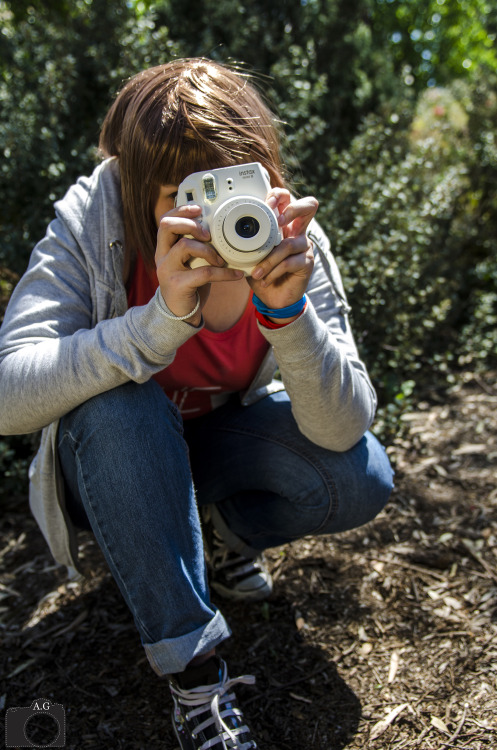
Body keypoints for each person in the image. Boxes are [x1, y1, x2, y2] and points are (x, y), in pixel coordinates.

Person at [0, 58, 393, 749]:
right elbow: (7, 397)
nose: (215, 219)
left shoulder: (284, 236)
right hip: (112, 469)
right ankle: (196, 677)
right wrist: (156, 325)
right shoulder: (93, 218)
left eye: (234, 188)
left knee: (356, 475)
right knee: (116, 405)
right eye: (182, 197)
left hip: (214, 450)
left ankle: (215, 535)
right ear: (131, 191)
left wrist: (288, 314)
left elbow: (343, 428)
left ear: (265, 177)